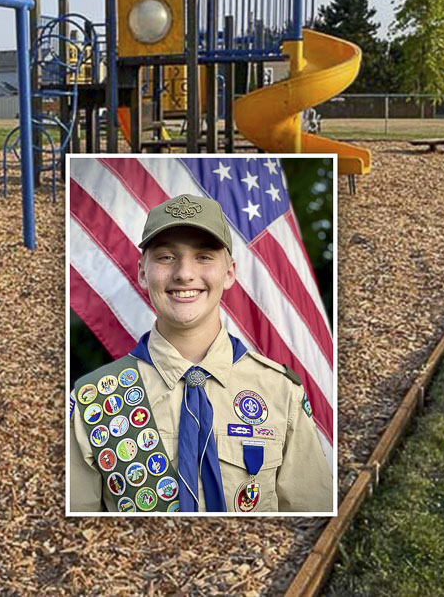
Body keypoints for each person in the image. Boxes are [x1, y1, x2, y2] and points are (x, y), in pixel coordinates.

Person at [68, 194, 332, 513]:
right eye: (166, 257)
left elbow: (311, 522)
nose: (184, 273)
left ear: (230, 273)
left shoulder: (280, 392)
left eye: (204, 256)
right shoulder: (93, 399)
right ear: (142, 272)